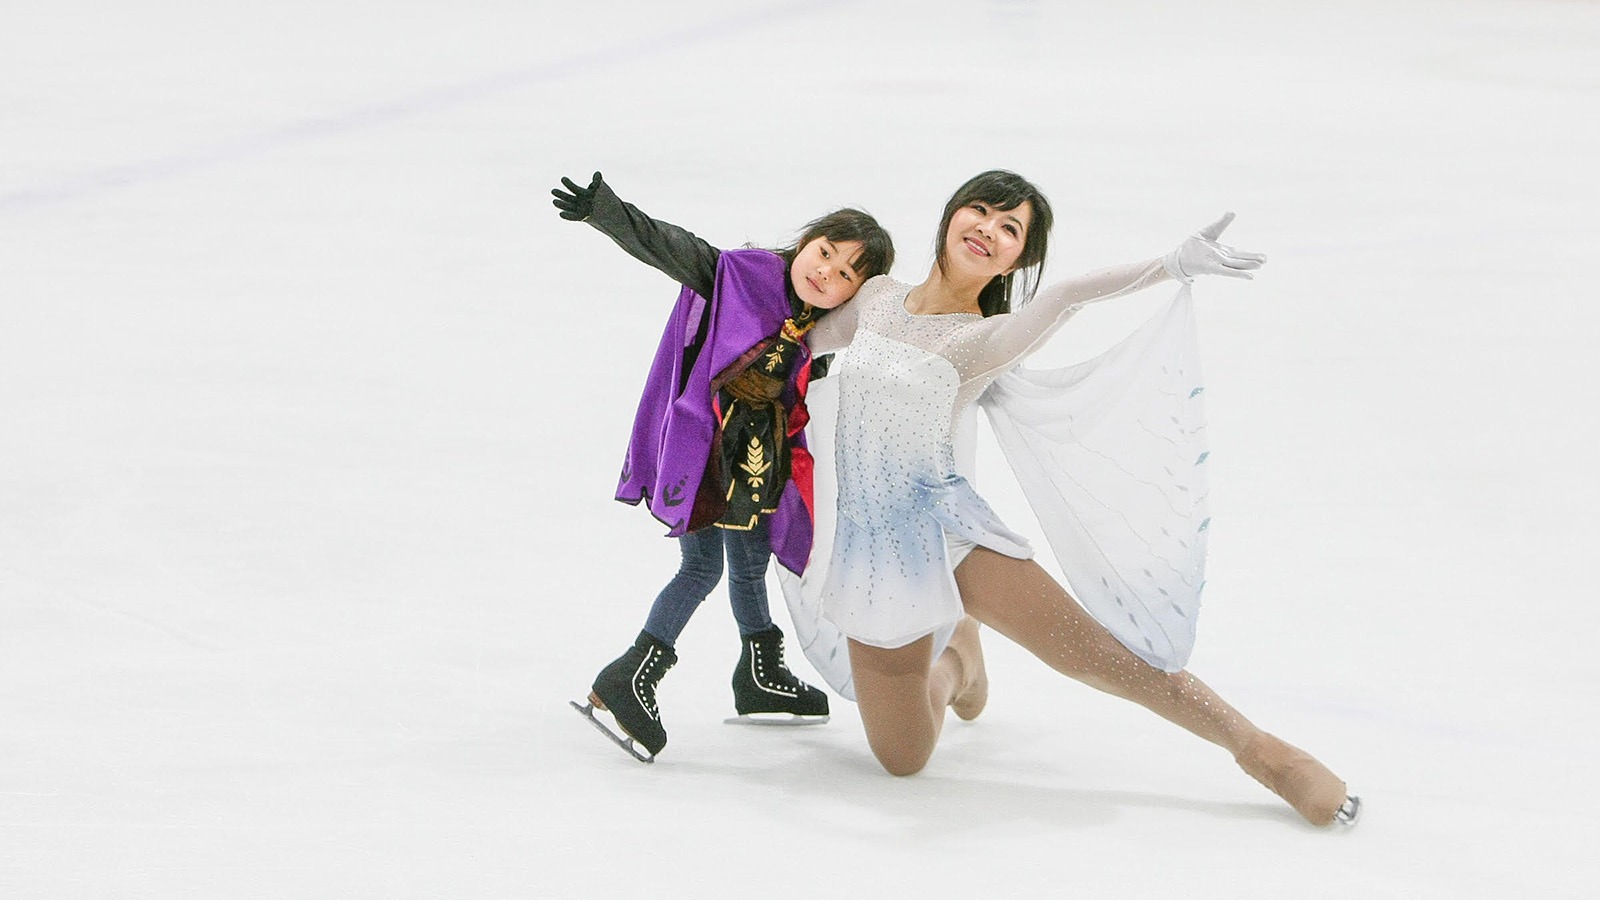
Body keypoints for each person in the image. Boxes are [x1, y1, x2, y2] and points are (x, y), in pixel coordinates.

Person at [788, 169, 1359, 826]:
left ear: (1017, 258)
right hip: (874, 564)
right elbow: (796, 344)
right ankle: (958, 659)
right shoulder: (878, 297)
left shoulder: (983, 340)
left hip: (951, 536)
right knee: (903, 756)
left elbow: (1063, 298)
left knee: (1102, 658)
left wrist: (1170, 265)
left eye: (1010, 229)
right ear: (949, 216)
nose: (988, 230)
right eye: (979, 211)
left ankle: (1264, 753)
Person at [552, 171, 896, 762]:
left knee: (750, 562)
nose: (825, 273)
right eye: (825, 253)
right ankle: (631, 676)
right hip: (704, 452)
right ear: (807, 242)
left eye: (845, 274)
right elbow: (668, 245)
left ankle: (759, 673)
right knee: (702, 567)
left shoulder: (819, 328)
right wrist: (604, 211)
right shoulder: (740, 274)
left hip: (754, 464)